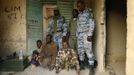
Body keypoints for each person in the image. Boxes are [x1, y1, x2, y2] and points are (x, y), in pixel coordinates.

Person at [76, 0, 96, 75]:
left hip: (86, 35)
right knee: (80, 50)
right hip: (80, 35)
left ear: (83, 5)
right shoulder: (79, 14)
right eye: (77, 6)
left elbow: (92, 23)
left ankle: (91, 69)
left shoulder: (89, 12)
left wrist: (90, 35)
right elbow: (78, 25)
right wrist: (77, 35)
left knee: (88, 50)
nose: (78, 7)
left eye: (79, 5)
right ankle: (81, 65)